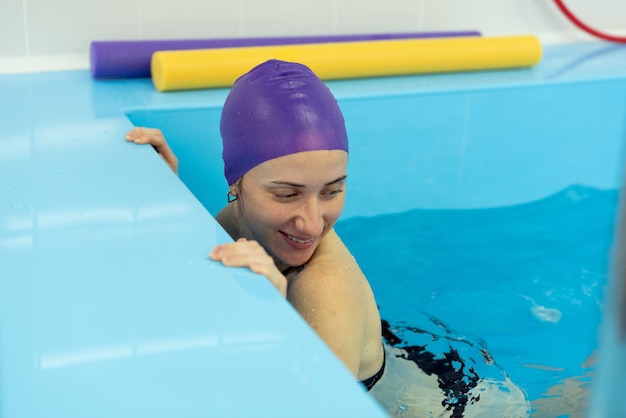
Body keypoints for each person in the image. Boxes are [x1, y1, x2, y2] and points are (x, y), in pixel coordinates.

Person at [126, 59, 530, 417]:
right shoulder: (233, 224)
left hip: (450, 406)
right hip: (406, 356)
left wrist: (277, 315)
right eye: (286, 194)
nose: (312, 223)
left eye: (332, 191)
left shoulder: (324, 288)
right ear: (236, 181)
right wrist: (168, 199)